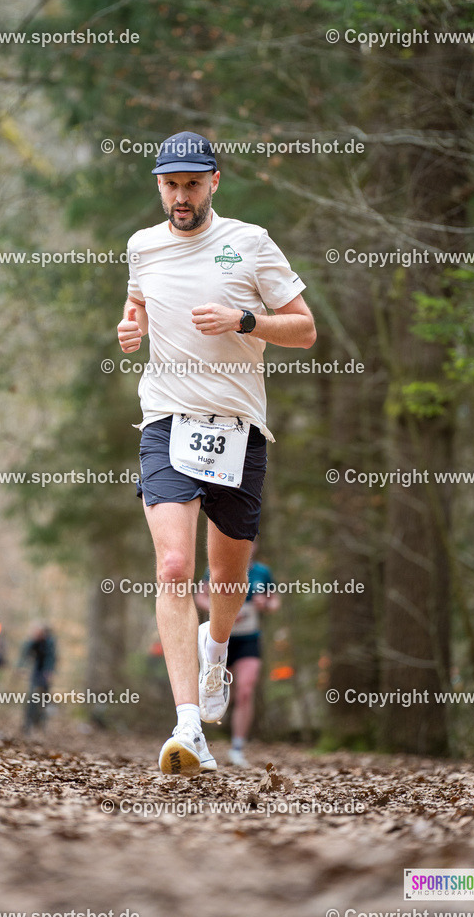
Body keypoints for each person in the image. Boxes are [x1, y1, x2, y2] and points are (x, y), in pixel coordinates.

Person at [117, 131, 316, 775]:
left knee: (227, 582)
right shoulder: (142, 246)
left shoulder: (250, 243)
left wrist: (245, 322)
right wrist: (131, 325)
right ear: (159, 186)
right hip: (166, 419)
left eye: (192, 184)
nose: (181, 196)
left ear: (214, 182)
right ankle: (186, 728)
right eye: (170, 185)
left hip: (238, 426)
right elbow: (139, 300)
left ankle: (217, 646)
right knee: (174, 565)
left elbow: (308, 331)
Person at [196, 539, 279, 767]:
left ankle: (237, 747)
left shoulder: (263, 572)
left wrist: (265, 604)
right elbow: (201, 596)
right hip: (221, 638)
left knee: (245, 690)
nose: (247, 547)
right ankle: (196, 741)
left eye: (251, 543)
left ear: (255, 546)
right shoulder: (216, 567)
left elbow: (275, 602)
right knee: (211, 688)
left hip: (249, 639)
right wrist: (223, 610)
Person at [19, 621, 57, 734]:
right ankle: (28, 723)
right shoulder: (33, 641)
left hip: (46, 672)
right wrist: (21, 667)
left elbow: (51, 658)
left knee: (44, 697)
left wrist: (49, 672)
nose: (36, 634)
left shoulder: (50, 642)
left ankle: (41, 721)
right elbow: (25, 653)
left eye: (38, 631)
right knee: (32, 696)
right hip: (36, 672)